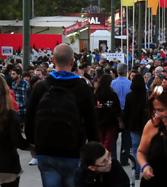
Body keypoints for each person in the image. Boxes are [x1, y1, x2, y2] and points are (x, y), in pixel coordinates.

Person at [25, 44, 100, 187]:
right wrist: (93, 153)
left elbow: (29, 119)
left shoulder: (41, 87)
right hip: (72, 151)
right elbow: (92, 122)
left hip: (45, 151)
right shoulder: (82, 88)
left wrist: (35, 143)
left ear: (53, 60)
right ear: (72, 62)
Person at [94, 74, 122, 160]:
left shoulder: (95, 95)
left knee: (101, 142)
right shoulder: (113, 95)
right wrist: (120, 122)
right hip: (111, 122)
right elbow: (117, 110)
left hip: (99, 122)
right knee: (108, 143)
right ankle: (106, 159)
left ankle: (102, 159)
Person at [110, 64, 133, 165]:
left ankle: (113, 159)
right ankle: (124, 159)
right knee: (126, 137)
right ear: (126, 71)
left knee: (113, 136)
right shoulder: (130, 84)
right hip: (127, 111)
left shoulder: (112, 83)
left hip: (114, 112)